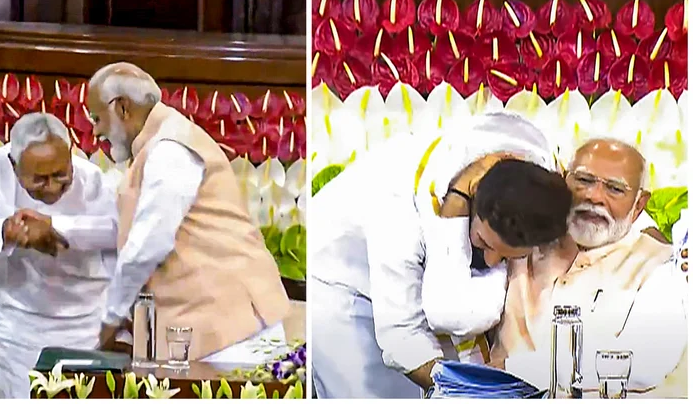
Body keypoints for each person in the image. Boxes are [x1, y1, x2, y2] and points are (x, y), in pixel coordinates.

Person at [310, 111, 574, 398]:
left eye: (507, 256)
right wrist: (464, 390)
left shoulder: (537, 175)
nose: (492, 264)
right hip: (343, 286)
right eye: (484, 244)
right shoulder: (398, 213)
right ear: (469, 201)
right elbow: (401, 335)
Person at [86, 62, 291, 365]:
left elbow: (146, 247)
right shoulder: (156, 144)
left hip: (233, 335)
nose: (95, 131)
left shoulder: (170, 148)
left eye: (98, 118)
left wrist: (109, 320)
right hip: (213, 333)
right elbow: (122, 231)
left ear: (123, 108)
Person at [490, 139, 687, 397]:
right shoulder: (525, 235)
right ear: (562, 180)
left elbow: (647, 360)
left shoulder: (660, 263)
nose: (594, 197)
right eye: (583, 180)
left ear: (639, 204)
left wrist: (512, 370)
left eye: (615, 189)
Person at [0, 113, 119, 398]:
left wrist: (55, 228)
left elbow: (118, 233)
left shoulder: (92, 179)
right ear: (15, 166)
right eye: (39, 179)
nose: (51, 186)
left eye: (61, 175)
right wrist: (7, 232)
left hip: (83, 330)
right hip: (17, 330)